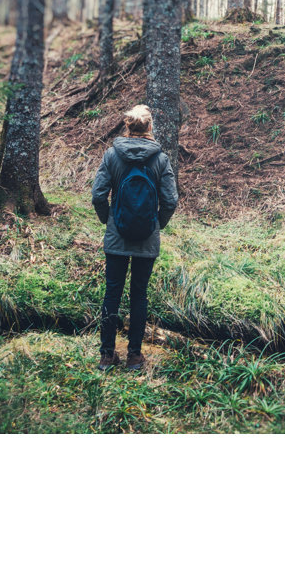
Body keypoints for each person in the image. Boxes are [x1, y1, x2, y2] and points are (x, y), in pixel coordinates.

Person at [91, 104, 178, 372]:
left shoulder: (111, 156)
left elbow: (97, 195)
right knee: (139, 295)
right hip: (146, 239)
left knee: (112, 293)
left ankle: (107, 356)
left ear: (128, 126)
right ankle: (134, 357)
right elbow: (171, 200)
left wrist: (109, 220)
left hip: (117, 237)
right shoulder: (161, 159)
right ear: (150, 127)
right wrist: (157, 224)